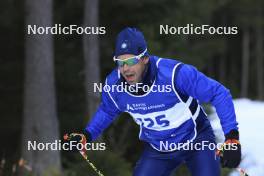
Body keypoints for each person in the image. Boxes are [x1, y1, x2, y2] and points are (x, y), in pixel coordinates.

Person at [72, 27, 241, 176]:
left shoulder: (175, 74)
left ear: (145, 58)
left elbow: (219, 93)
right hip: (158, 148)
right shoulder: (115, 85)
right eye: (120, 63)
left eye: (131, 61)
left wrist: (231, 138)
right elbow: (108, 110)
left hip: (196, 140)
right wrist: (87, 135)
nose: (125, 69)